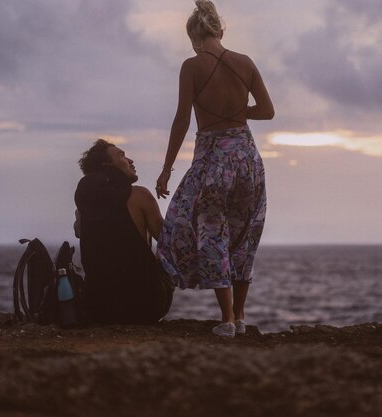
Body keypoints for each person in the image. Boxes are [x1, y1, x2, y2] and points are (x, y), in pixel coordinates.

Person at [155, 0, 274, 338]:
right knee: (244, 233)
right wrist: (238, 111)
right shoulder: (245, 62)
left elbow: (182, 119)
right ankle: (240, 315)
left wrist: (166, 168)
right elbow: (267, 111)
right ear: (220, 30)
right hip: (247, 158)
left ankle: (226, 319)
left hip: (212, 157)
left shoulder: (191, 66)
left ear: (194, 36)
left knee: (209, 231)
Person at [74, 139, 173, 324]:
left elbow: (80, 233)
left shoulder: (83, 206)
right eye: (121, 155)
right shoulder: (139, 195)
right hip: (144, 307)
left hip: (98, 308)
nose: (130, 160)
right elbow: (169, 242)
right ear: (107, 165)